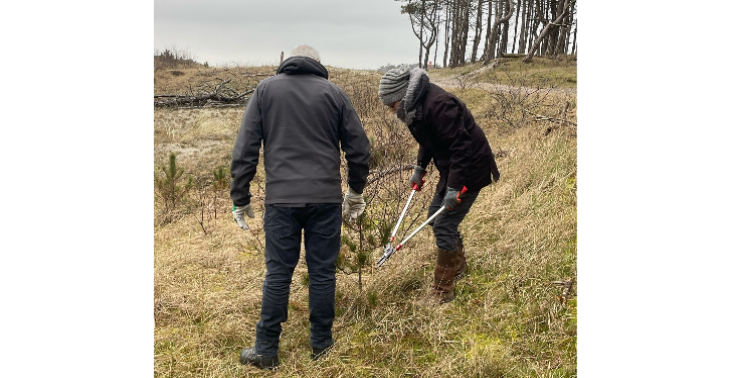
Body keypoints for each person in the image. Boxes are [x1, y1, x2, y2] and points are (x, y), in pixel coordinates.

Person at [230, 45, 370, 369]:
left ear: (288, 62)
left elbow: (246, 148)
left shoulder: (266, 90)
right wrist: (355, 192)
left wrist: (240, 197)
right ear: (318, 64)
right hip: (325, 199)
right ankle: (322, 346)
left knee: (278, 273)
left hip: (281, 201)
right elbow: (359, 148)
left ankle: (266, 349)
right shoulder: (334, 93)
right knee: (323, 273)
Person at [378, 66, 500, 304]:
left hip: (469, 168)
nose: (392, 111)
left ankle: (442, 291)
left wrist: (454, 188)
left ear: (402, 96)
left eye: (392, 105)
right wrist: (419, 169)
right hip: (452, 168)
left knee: (444, 223)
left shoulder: (439, 105)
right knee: (435, 216)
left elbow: (461, 148)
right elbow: (428, 139)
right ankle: (458, 266)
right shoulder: (415, 106)